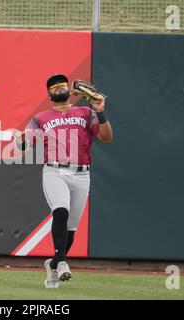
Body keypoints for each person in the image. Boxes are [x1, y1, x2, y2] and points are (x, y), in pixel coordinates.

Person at [14, 74, 113, 288]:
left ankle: (54, 263)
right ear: (49, 94)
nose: (58, 87)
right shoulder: (40, 118)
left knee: (71, 229)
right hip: (55, 171)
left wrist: (100, 111)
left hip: (82, 173)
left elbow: (106, 138)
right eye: (53, 86)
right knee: (61, 211)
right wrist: (20, 141)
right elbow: (25, 146)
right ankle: (63, 263)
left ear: (70, 89)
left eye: (61, 84)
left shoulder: (86, 112)